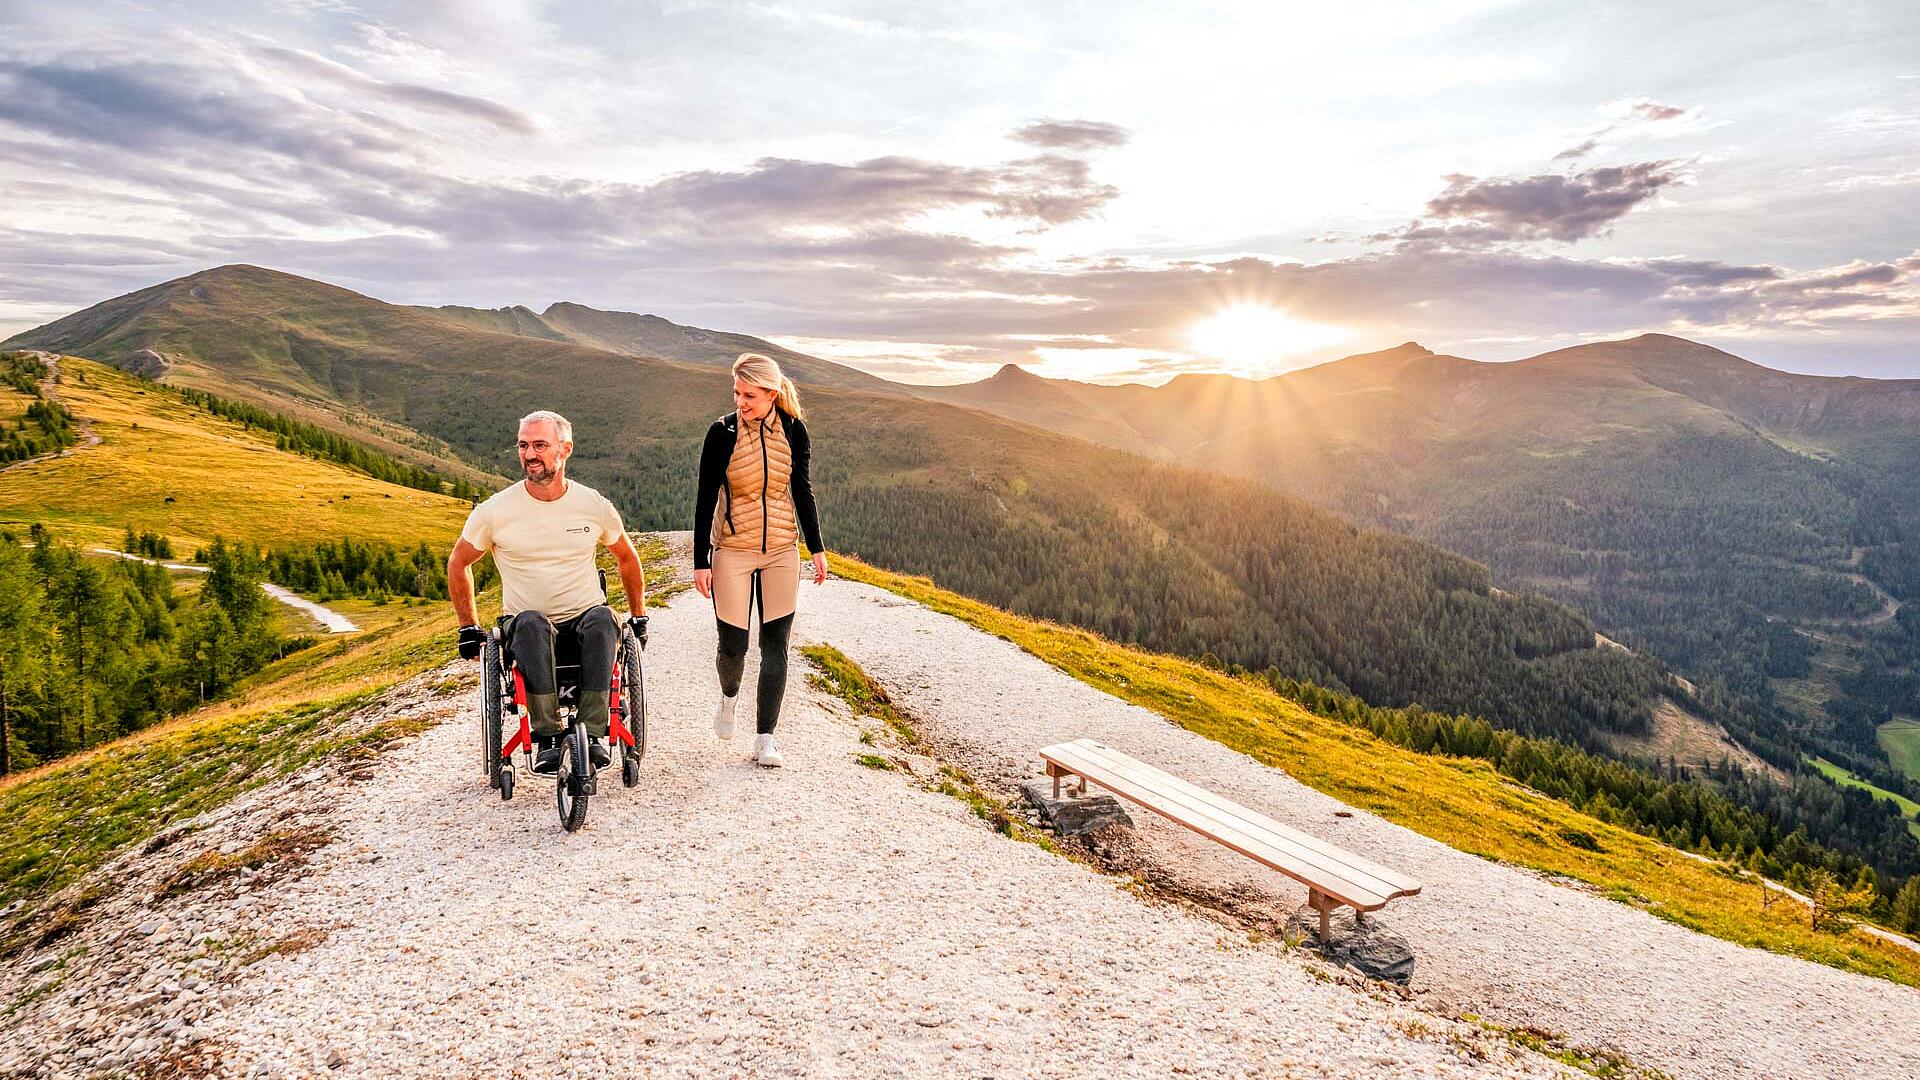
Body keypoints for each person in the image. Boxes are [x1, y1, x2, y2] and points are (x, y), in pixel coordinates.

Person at [449, 410, 649, 775]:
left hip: (584, 623)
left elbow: (627, 558)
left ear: (565, 449)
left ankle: (590, 733)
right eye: (523, 445)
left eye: (540, 445)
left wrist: (639, 615)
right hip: (526, 629)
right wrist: (467, 626)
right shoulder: (496, 511)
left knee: (606, 618)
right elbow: (458, 563)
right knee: (531, 624)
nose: (529, 454)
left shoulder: (593, 505)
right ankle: (548, 738)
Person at [692, 353, 827, 768]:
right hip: (732, 548)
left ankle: (765, 737)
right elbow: (705, 496)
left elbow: (801, 489)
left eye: (750, 394)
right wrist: (702, 560)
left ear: (772, 393)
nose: (741, 401)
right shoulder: (722, 432)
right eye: (737, 393)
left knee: (776, 648)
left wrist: (816, 547)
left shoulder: (793, 430)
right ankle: (729, 698)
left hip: (782, 550)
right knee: (733, 647)